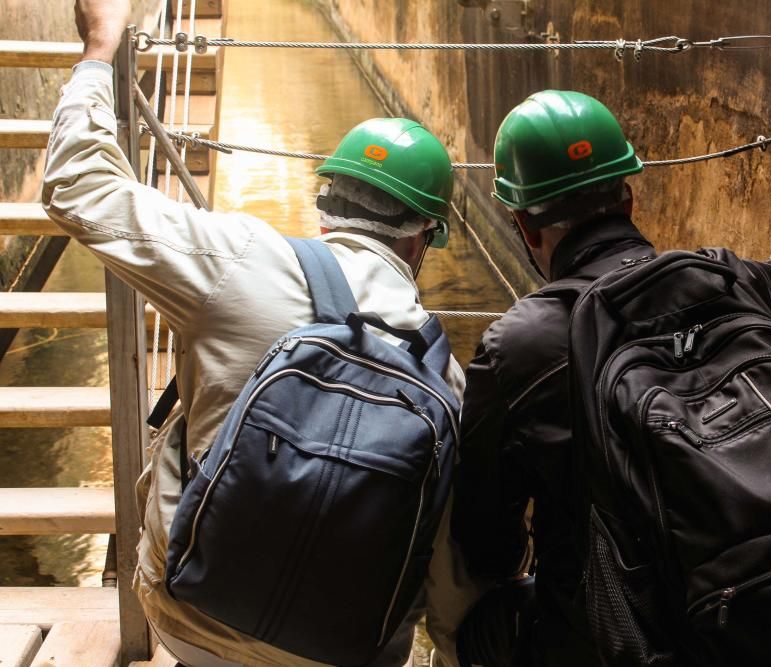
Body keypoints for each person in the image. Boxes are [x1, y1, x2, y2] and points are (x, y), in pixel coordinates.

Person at [44, 2, 481, 665]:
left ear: (326, 200)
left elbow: (75, 186)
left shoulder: (239, 257)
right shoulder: (446, 378)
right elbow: (448, 579)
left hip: (189, 618)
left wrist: (100, 50)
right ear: (425, 239)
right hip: (337, 652)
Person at [451, 89, 771, 666]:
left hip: (615, 643)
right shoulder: (728, 281)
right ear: (629, 194)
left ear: (523, 224)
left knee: (477, 624)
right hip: (767, 611)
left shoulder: (518, 347)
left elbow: (485, 546)